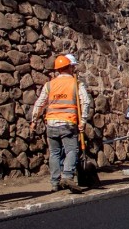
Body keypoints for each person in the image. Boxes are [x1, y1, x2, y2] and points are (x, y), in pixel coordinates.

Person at [31, 54, 93, 193]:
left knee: (54, 153)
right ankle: (67, 176)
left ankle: (54, 182)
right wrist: (82, 121)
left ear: (58, 69)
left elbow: (40, 103)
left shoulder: (49, 84)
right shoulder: (76, 83)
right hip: (68, 123)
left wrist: (34, 120)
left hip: (51, 123)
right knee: (72, 150)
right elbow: (86, 102)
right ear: (70, 67)